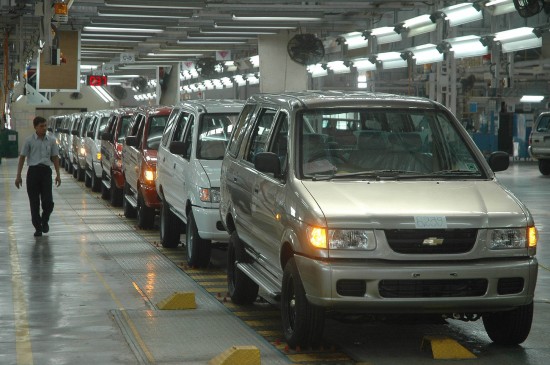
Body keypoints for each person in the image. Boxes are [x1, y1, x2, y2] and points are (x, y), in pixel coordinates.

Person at [15, 116, 61, 237]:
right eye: (41, 126)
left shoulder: (51, 140)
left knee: (48, 201)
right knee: (34, 203)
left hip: (46, 172)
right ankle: (38, 227)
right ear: (35, 127)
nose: (44, 128)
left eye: (45, 126)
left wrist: (58, 175)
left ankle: (45, 220)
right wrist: (18, 176)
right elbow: (22, 157)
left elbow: (55, 157)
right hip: (33, 173)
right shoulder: (29, 141)